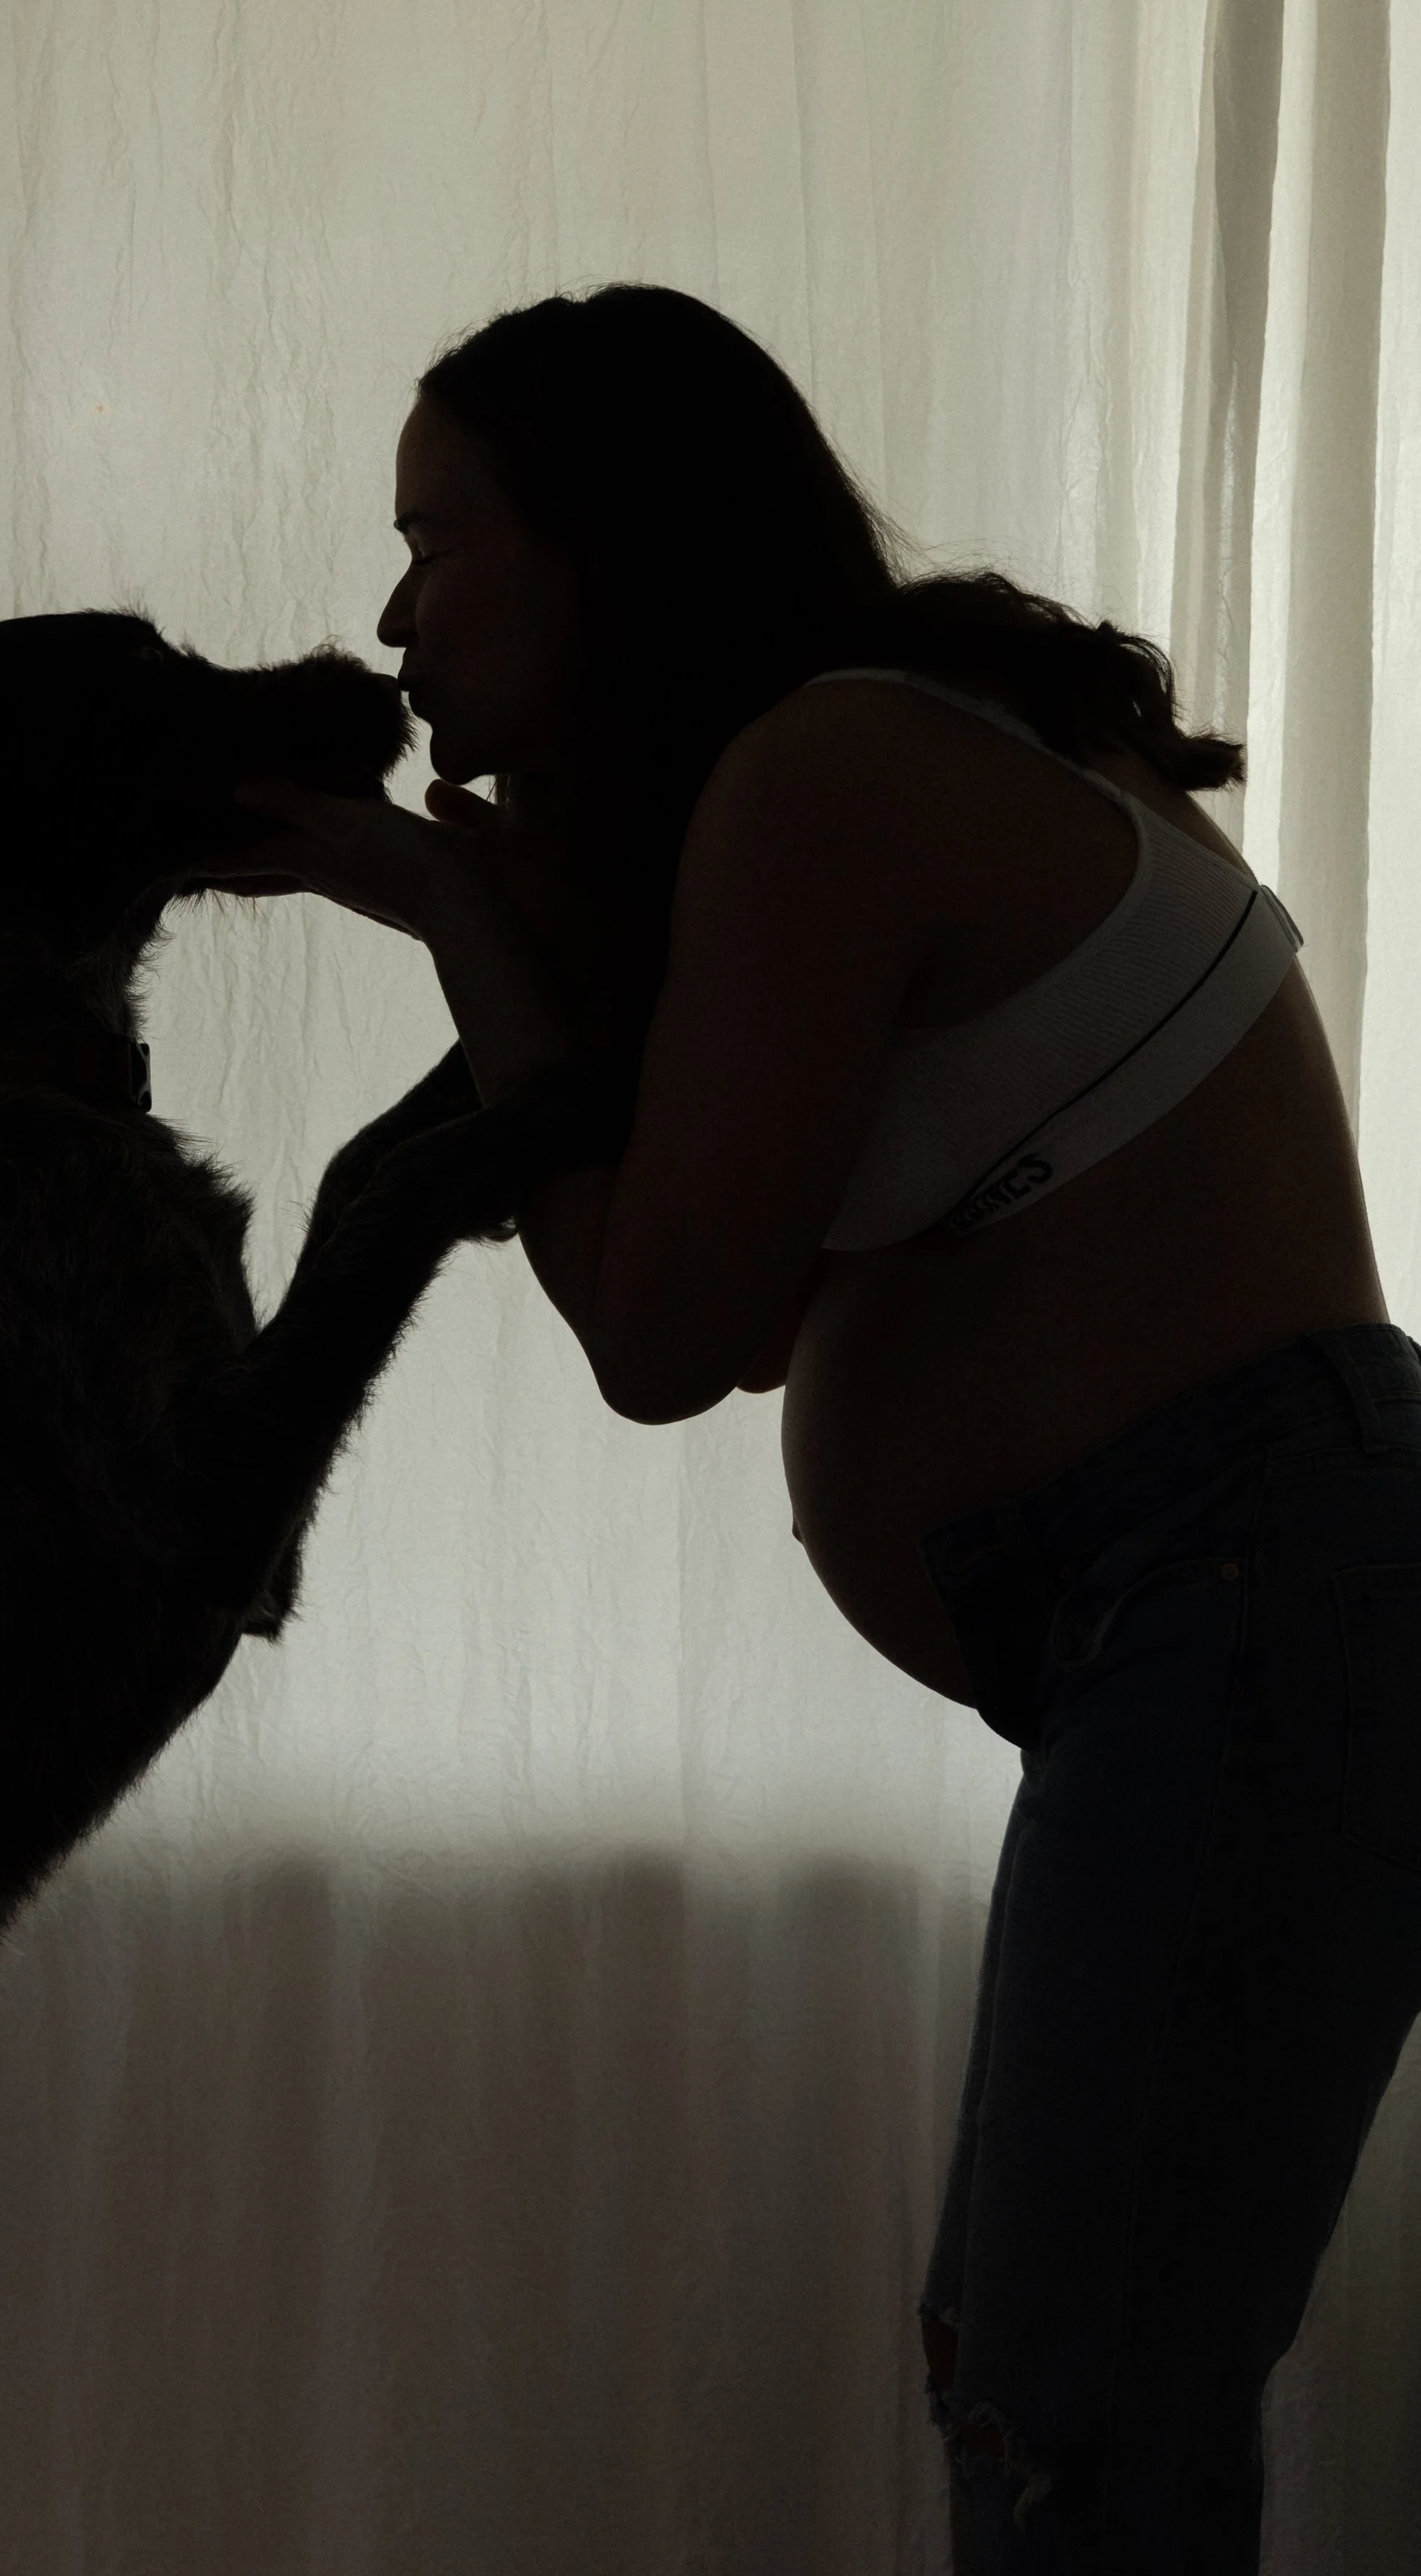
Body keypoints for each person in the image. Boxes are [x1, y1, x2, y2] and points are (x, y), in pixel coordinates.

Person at [213, 284, 1421, 2572]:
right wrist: (517, 926)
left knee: (1071, 2403)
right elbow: (728, 1318)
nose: (389, 617)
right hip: (1229, 1599)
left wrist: (460, 917)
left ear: (605, 543)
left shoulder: (833, 772)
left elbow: (663, 1333)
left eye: (436, 536)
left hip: (1251, 1583)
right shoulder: (856, 766)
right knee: (1059, 2382)